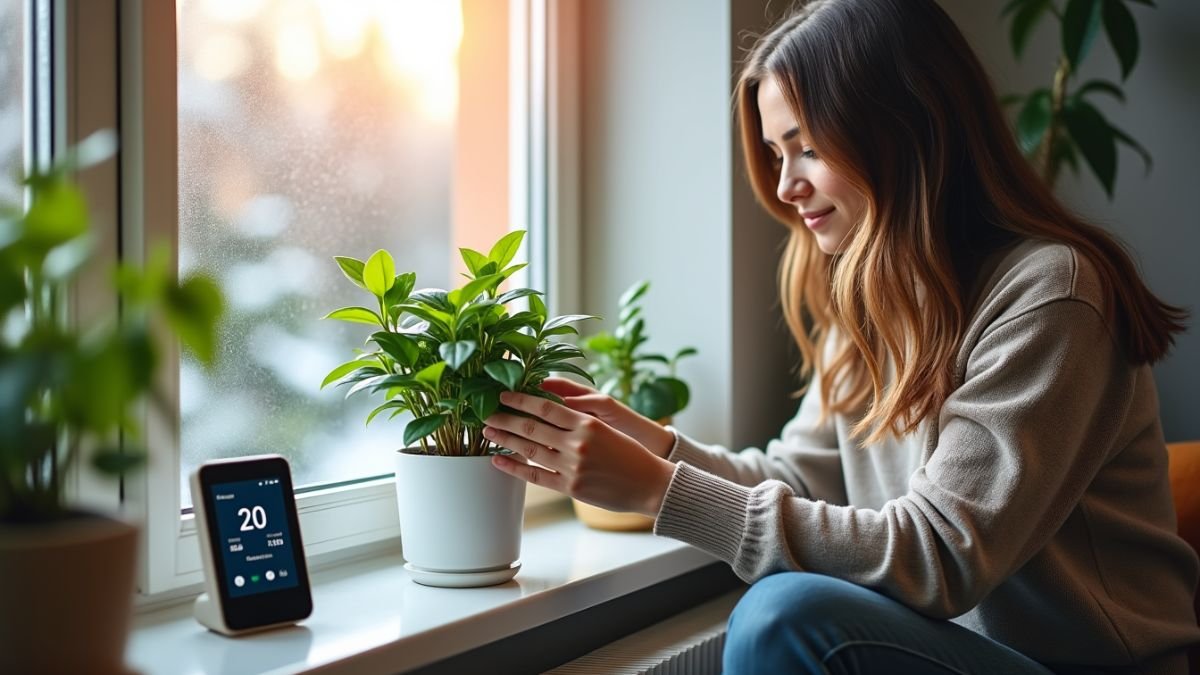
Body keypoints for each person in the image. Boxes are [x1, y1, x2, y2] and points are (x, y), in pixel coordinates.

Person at [481, 0, 1200, 672]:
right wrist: (660, 449)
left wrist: (660, 489)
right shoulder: (867, 298)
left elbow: (939, 555)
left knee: (783, 618)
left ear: (904, 128)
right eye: (775, 153)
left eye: (808, 147)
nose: (786, 183)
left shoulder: (1054, 293)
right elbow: (801, 476)